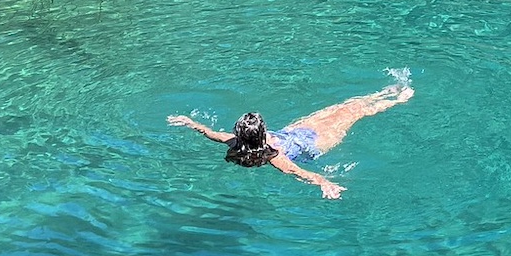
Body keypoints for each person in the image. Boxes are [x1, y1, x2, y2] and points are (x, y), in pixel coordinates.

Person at [168, 76, 414, 200]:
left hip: (294, 132)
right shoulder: (275, 156)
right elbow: (301, 173)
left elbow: (209, 133)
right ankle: (396, 99)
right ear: (261, 133)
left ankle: (382, 93)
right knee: (352, 114)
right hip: (314, 144)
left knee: (339, 107)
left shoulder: (233, 141)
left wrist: (191, 123)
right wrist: (324, 183)